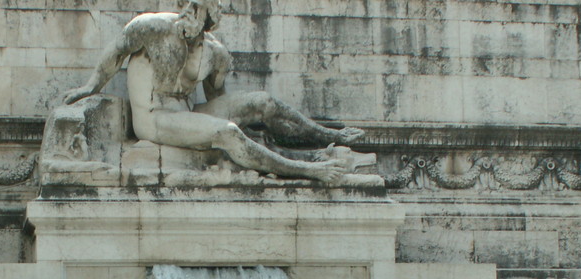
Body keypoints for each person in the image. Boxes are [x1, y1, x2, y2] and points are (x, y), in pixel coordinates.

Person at [63, 1, 362, 183]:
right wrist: (91, 85)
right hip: (154, 118)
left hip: (187, 114)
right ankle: (307, 171)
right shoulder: (152, 28)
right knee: (228, 133)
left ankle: (329, 136)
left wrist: (238, 120)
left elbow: (217, 99)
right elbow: (116, 53)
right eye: (188, 6)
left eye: (198, 8)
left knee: (263, 102)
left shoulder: (215, 54)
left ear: (210, 15)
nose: (190, 13)